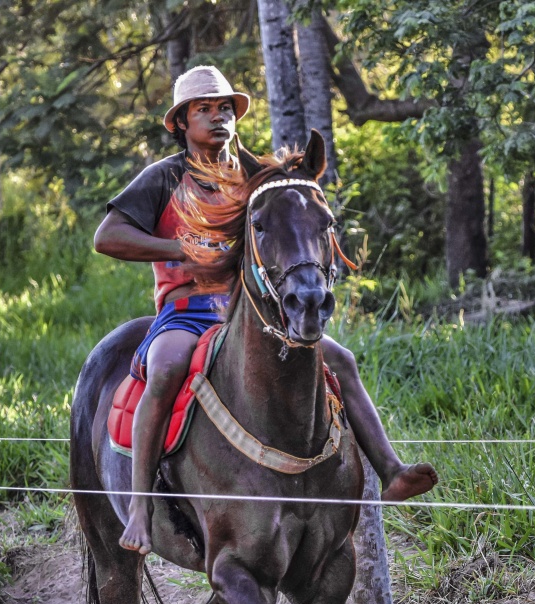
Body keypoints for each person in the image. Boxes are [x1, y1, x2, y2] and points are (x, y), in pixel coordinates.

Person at [95, 65, 437, 555]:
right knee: (167, 365)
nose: (218, 118)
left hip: (251, 311)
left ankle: (391, 470)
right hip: (187, 309)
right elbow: (107, 237)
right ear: (180, 123)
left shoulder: (253, 176)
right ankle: (142, 504)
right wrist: (179, 250)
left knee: (339, 358)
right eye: (203, 110)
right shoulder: (165, 176)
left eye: (225, 109)